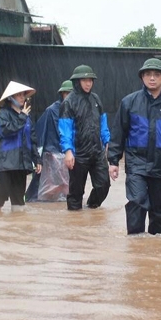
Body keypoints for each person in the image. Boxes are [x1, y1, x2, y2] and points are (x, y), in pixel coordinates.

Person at [108, 58, 161, 235]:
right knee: (136, 203)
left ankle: (156, 252)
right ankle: (136, 248)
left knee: (160, 214)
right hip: (136, 164)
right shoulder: (129, 102)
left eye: (156, 75)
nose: (152, 78)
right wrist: (113, 160)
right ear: (142, 77)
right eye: (148, 74)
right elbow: (119, 132)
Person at [59, 64, 111, 211]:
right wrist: (68, 151)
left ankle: (91, 207)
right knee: (76, 192)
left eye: (91, 80)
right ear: (77, 81)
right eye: (85, 80)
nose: (88, 83)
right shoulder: (69, 102)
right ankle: (75, 223)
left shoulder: (96, 99)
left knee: (103, 185)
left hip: (97, 152)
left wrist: (107, 141)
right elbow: (65, 129)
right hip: (78, 154)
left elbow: (103, 122)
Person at [0, 81, 41, 209]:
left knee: (19, 200)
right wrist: (22, 117)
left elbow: (32, 140)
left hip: (21, 163)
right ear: (11, 98)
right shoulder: (3, 115)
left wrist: (37, 159)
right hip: (5, 162)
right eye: (18, 95)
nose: (22, 97)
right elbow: (6, 131)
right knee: (1, 192)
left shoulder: (27, 118)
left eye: (23, 95)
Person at [25, 80, 73, 202]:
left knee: (67, 184)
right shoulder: (51, 110)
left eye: (71, 93)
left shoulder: (77, 109)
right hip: (53, 154)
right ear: (62, 94)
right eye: (66, 93)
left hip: (69, 152)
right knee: (50, 182)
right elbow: (40, 132)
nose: (69, 96)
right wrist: (41, 155)